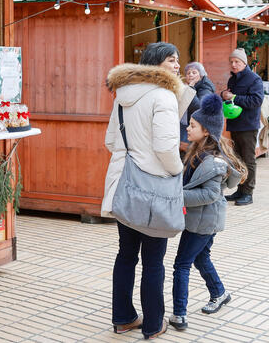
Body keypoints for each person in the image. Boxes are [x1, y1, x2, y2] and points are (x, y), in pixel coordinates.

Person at [102, 43, 184, 339]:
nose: (177, 66)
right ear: (156, 64)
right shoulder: (164, 96)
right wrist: (177, 171)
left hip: (124, 184)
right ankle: (153, 325)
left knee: (126, 255)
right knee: (153, 260)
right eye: (172, 60)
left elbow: (111, 140)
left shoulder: (122, 95)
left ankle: (123, 318)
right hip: (154, 188)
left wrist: (132, 155)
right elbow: (165, 147)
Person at [169, 94, 247, 331]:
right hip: (204, 219)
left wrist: (176, 197)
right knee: (201, 258)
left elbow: (210, 194)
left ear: (206, 132)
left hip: (203, 221)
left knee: (181, 264)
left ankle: (179, 315)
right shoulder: (197, 152)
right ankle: (220, 293)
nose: (187, 127)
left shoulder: (211, 160)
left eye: (192, 125)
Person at [220, 48, 263, 206]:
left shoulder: (254, 79)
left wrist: (235, 97)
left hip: (248, 125)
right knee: (237, 158)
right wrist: (223, 95)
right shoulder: (233, 79)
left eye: (237, 61)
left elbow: (256, 101)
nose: (233, 64)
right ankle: (240, 189)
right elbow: (229, 97)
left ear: (244, 62)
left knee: (248, 159)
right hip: (234, 123)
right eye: (231, 62)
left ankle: (248, 192)